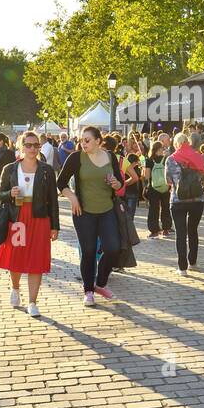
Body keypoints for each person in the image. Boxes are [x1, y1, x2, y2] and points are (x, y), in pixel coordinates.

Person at [0, 130, 60, 318]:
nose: (32, 148)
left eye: (36, 145)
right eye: (28, 145)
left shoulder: (46, 169)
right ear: (21, 146)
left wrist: (55, 226)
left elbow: (53, 200)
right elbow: (0, 194)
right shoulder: (11, 168)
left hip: (40, 218)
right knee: (16, 255)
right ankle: (15, 288)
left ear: (39, 147)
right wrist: (10, 194)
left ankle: (32, 302)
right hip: (18, 216)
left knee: (37, 260)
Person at [57, 125, 123, 305]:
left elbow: (120, 184)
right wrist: (72, 198)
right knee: (88, 251)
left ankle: (100, 283)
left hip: (107, 210)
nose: (82, 143)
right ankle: (88, 291)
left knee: (113, 248)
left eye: (87, 140)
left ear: (98, 141)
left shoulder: (110, 157)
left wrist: (115, 183)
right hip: (83, 212)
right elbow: (61, 182)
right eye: (81, 140)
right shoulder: (76, 157)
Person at [165, 132, 204, 274]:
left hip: (178, 200)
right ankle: (193, 261)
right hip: (197, 200)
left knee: (181, 233)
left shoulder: (171, 159)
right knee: (193, 230)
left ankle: (182, 267)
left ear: (176, 144)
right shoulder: (198, 156)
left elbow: (168, 181)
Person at [142, 141, 173, 238]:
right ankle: (166, 229)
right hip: (165, 187)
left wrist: (143, 171)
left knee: (153, 209)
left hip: (153, 188)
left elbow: (146, 176)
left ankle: (154, 231)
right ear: (161, 149)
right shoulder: (166, 159)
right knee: (166, 208)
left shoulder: (149, 160)